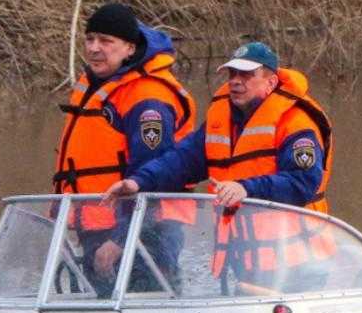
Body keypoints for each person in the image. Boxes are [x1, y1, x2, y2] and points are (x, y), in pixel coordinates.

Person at [102, 41, 335, 292]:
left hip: (299, 262)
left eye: (246, 74)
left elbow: (303, 183)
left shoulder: (296, 123)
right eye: (232, 74)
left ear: (270, 81)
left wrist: (245, 189)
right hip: (247, 261)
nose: (235, 81)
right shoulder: (219, 120)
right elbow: (181, 161)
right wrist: (138, 182)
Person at [52, 2, 196, 295]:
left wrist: (120, 240)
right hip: (99, 227)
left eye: (106, 41)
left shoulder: (148, 101)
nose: (94, 48)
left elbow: (152, 181)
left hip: (146, 233)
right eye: (90, 39)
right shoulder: (94, 87)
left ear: (129, 48)